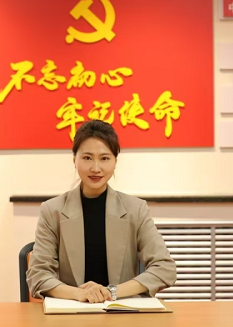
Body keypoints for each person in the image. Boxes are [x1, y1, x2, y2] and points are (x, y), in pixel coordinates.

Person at [26, 120, 176, 303]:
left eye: (104, 158)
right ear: (74, 160)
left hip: (121, 311)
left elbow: (165, 268)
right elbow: (38, 276)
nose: (95, 168)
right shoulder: (52, 211)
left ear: (115, 162)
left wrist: (111, 292)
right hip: (71, 312)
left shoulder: (136, 209)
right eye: (87, 158)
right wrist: (79, 294)